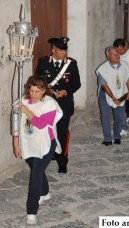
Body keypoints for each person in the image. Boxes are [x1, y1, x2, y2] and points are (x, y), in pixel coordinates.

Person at [12, 75, 63, 225]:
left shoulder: (49, 104)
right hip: (27, 143)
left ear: (44, 91)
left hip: (45, 144)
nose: (33, 94)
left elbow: (41, 124)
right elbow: (15, 123)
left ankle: (31, 211)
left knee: (35, 177)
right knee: (37, 169)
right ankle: (45, 192)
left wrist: (27, 111)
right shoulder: (22, 101)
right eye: (31, 90)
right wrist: (16, 143)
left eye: (37, 91)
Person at [35, 37, 81, 174]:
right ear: (53, 50)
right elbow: (37, 81)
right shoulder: (43, 63)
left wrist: (66, 91)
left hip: (64, 103)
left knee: (61, 130)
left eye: (65, 50)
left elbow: (77, 83)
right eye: (61, 50)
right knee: (48, 129)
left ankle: (62, 160)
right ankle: (51, 153)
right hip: (47, 102)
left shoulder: (71, 64)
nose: (64, 53)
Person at [96, 46, 129, 145]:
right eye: (113, 54)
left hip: (121, 93)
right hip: (105, 95)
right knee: (105, 116)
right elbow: (104, 85)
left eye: (117, 53)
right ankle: (107, 138)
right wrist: (113, 98)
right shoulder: (102, 69)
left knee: (120, 116)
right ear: (108, 57)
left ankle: (117, 135)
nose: (116, 55)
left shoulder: (125, 65)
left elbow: (128, 78)